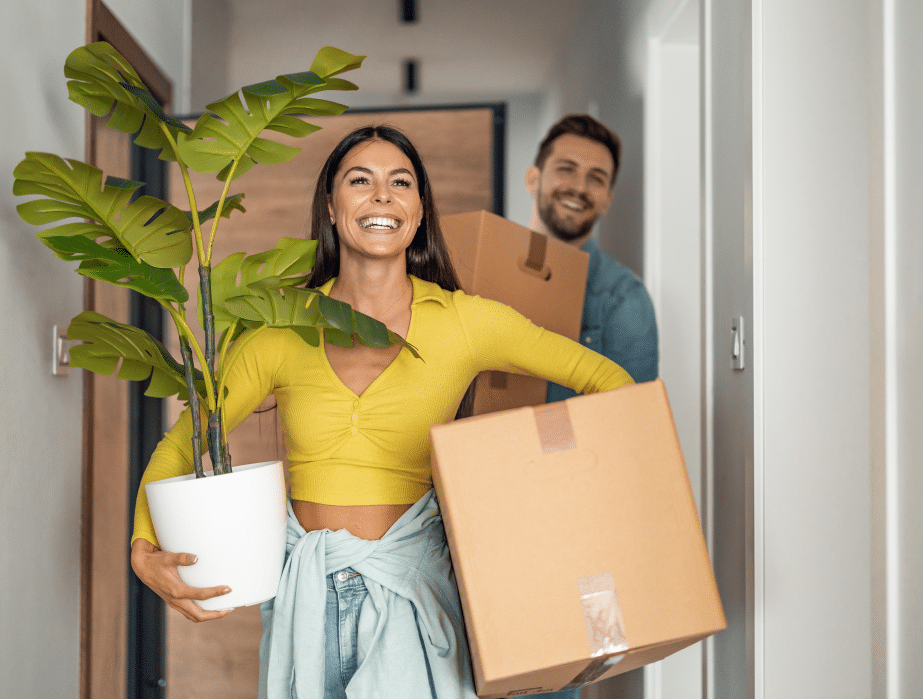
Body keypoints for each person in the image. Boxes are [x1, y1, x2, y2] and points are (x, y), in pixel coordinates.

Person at [130, 125, 634, 699]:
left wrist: (561, 501)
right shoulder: (281, 331)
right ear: (331, 205)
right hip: (306, 602)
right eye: (359, 181)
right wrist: (143, 546)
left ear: (418, 213)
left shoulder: (467, 322)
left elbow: (608, 381)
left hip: (417, 599)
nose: (381, 196)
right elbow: (186, 440)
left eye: (401, 182)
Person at [525, 114, 659, 397]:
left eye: (596, 178)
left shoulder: (624, 297)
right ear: (533, 179)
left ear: (607, 201)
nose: (579, 187)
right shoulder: (486, 269)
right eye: (566, 169)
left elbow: (634, 415)